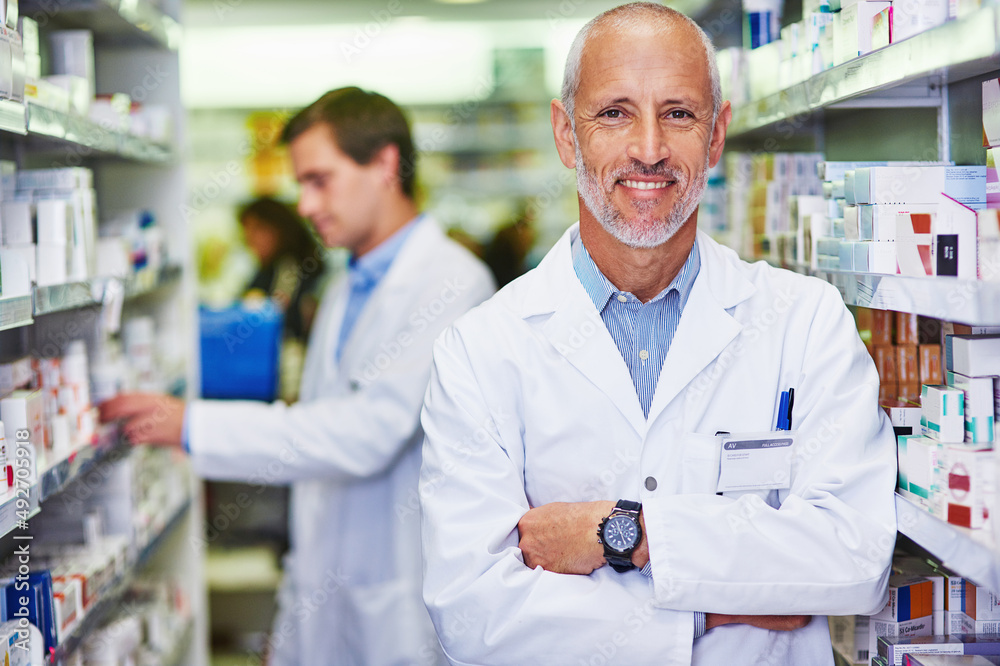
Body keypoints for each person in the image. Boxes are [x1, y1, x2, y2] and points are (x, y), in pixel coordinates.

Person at [418, 4, 896, 665]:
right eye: (614, 112)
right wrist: (714, 605)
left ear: (718, 134)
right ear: (566, 135)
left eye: (679, 113)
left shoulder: (806, 323)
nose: (648, 148)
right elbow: (475, 617)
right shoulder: (478, 352)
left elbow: (853, 560)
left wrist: (627, 537)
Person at [100, 87, 496, 665]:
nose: (305, 205)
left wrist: (194, 426)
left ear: (385, 164)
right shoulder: (344, 283)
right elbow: (315, 439)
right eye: (301, 185)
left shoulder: (452, 283)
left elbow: (365, 435)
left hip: (399, 604)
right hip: (326, 597)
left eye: (319, 180)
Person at [237, 196, 326, 402]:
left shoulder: (290, 268)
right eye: (246, 231)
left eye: (256, 229)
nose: (249, 239)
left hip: (291, 382)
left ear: (277, 229)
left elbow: (279, 319)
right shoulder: (269, 269)